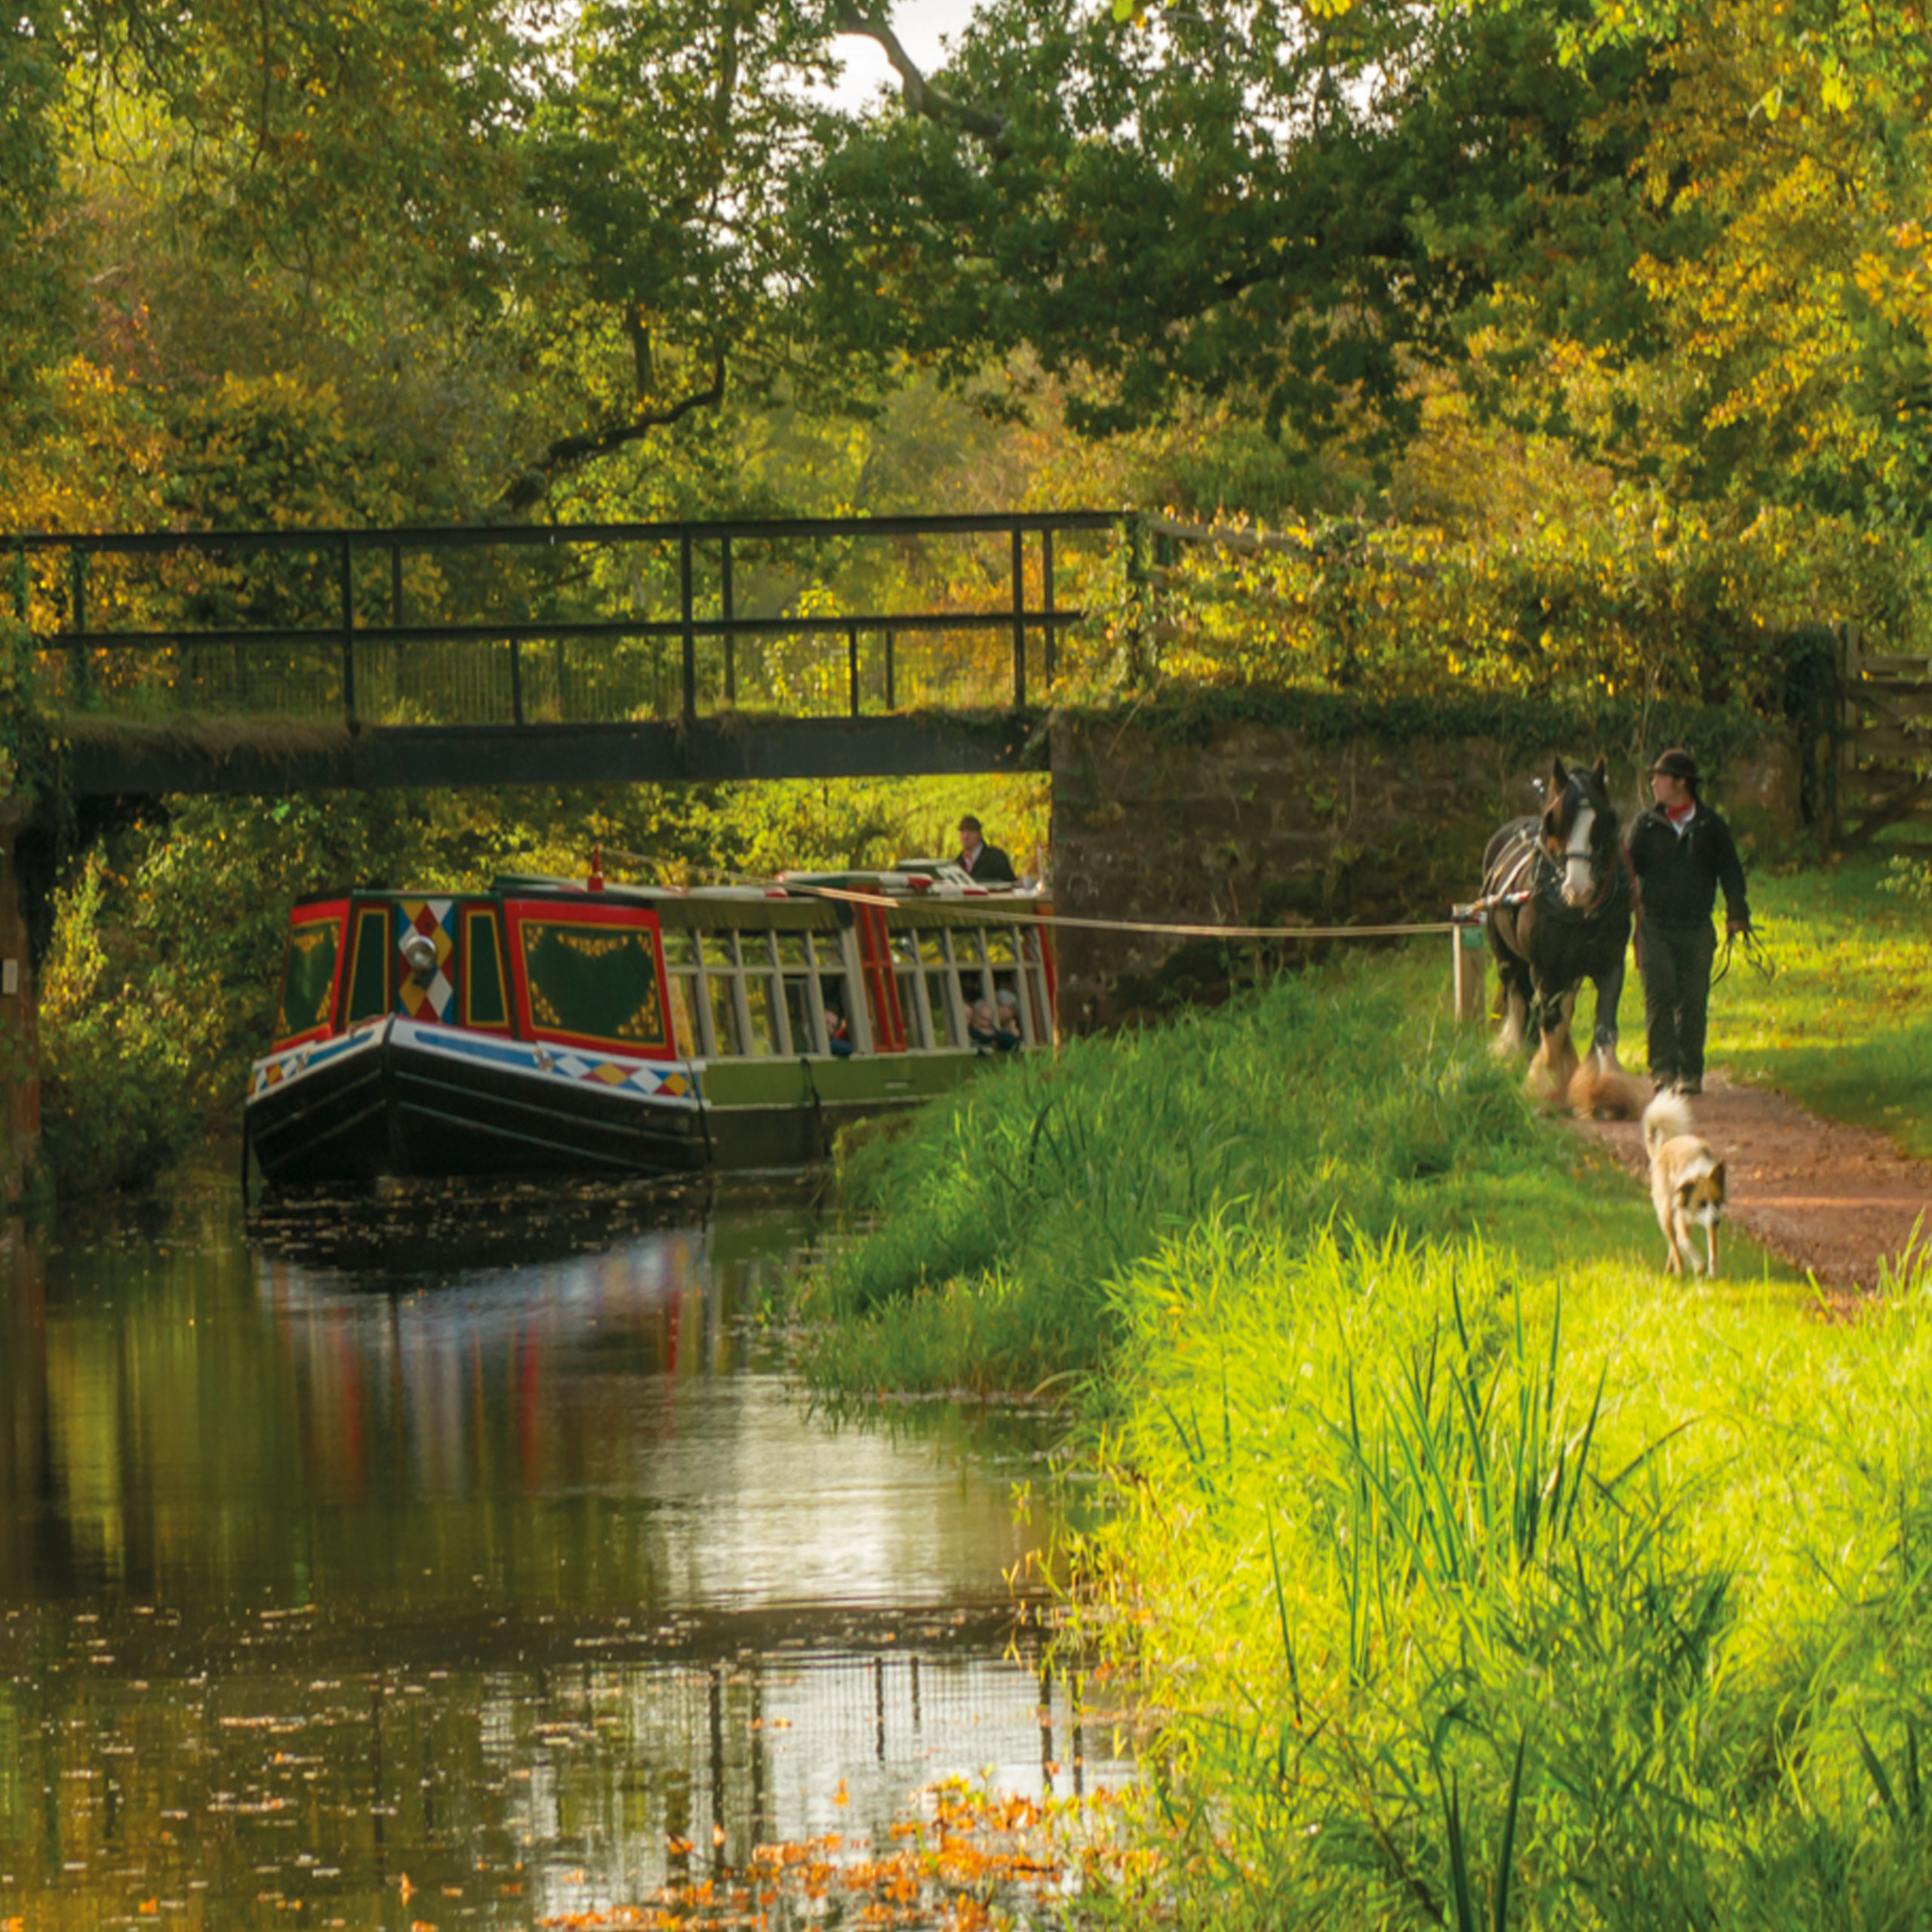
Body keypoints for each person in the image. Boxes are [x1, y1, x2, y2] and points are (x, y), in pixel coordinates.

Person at [1626, 747, 1751, 1097]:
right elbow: (1626, 871)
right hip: (1655, 927)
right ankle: (1663, 1069)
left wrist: (1737, 912)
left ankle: (1691, 1072)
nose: (1653, 782)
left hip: (1697, 927)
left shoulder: (1711, 826)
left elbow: (1730, 870)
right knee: (1660, 995)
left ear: (1681, 783)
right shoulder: (1646, 825)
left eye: (1660, 777)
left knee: (1694, 1000)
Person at [955, 814, 1017, 884]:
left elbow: (1011, 884)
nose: (966, 836)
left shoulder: (996, 858)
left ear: (980, 834)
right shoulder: (957, 863)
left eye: (971, 832)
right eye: (962, 832)